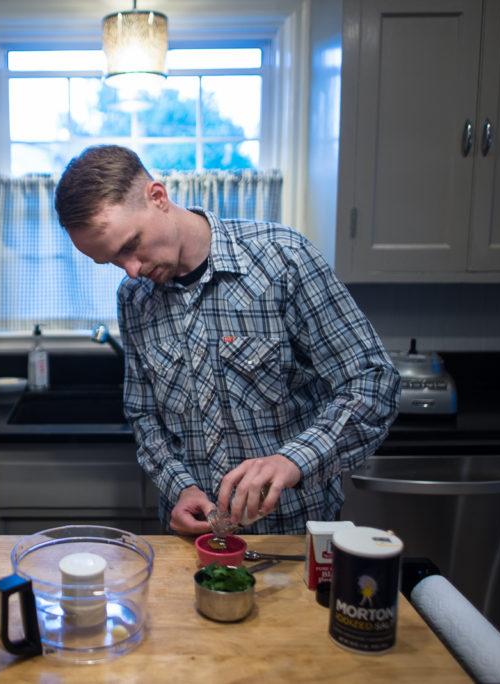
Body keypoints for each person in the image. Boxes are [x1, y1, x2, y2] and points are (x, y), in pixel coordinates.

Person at [54, 145, 400, 536]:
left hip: (295, 537)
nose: (130, 271)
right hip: (194, 542)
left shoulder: (282, 259)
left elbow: (373, 381)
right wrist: (179, 486)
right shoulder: (134, 299)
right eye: (112, 262)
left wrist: (293, 461)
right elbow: (144, 415)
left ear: (158, 197)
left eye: (130, 246)